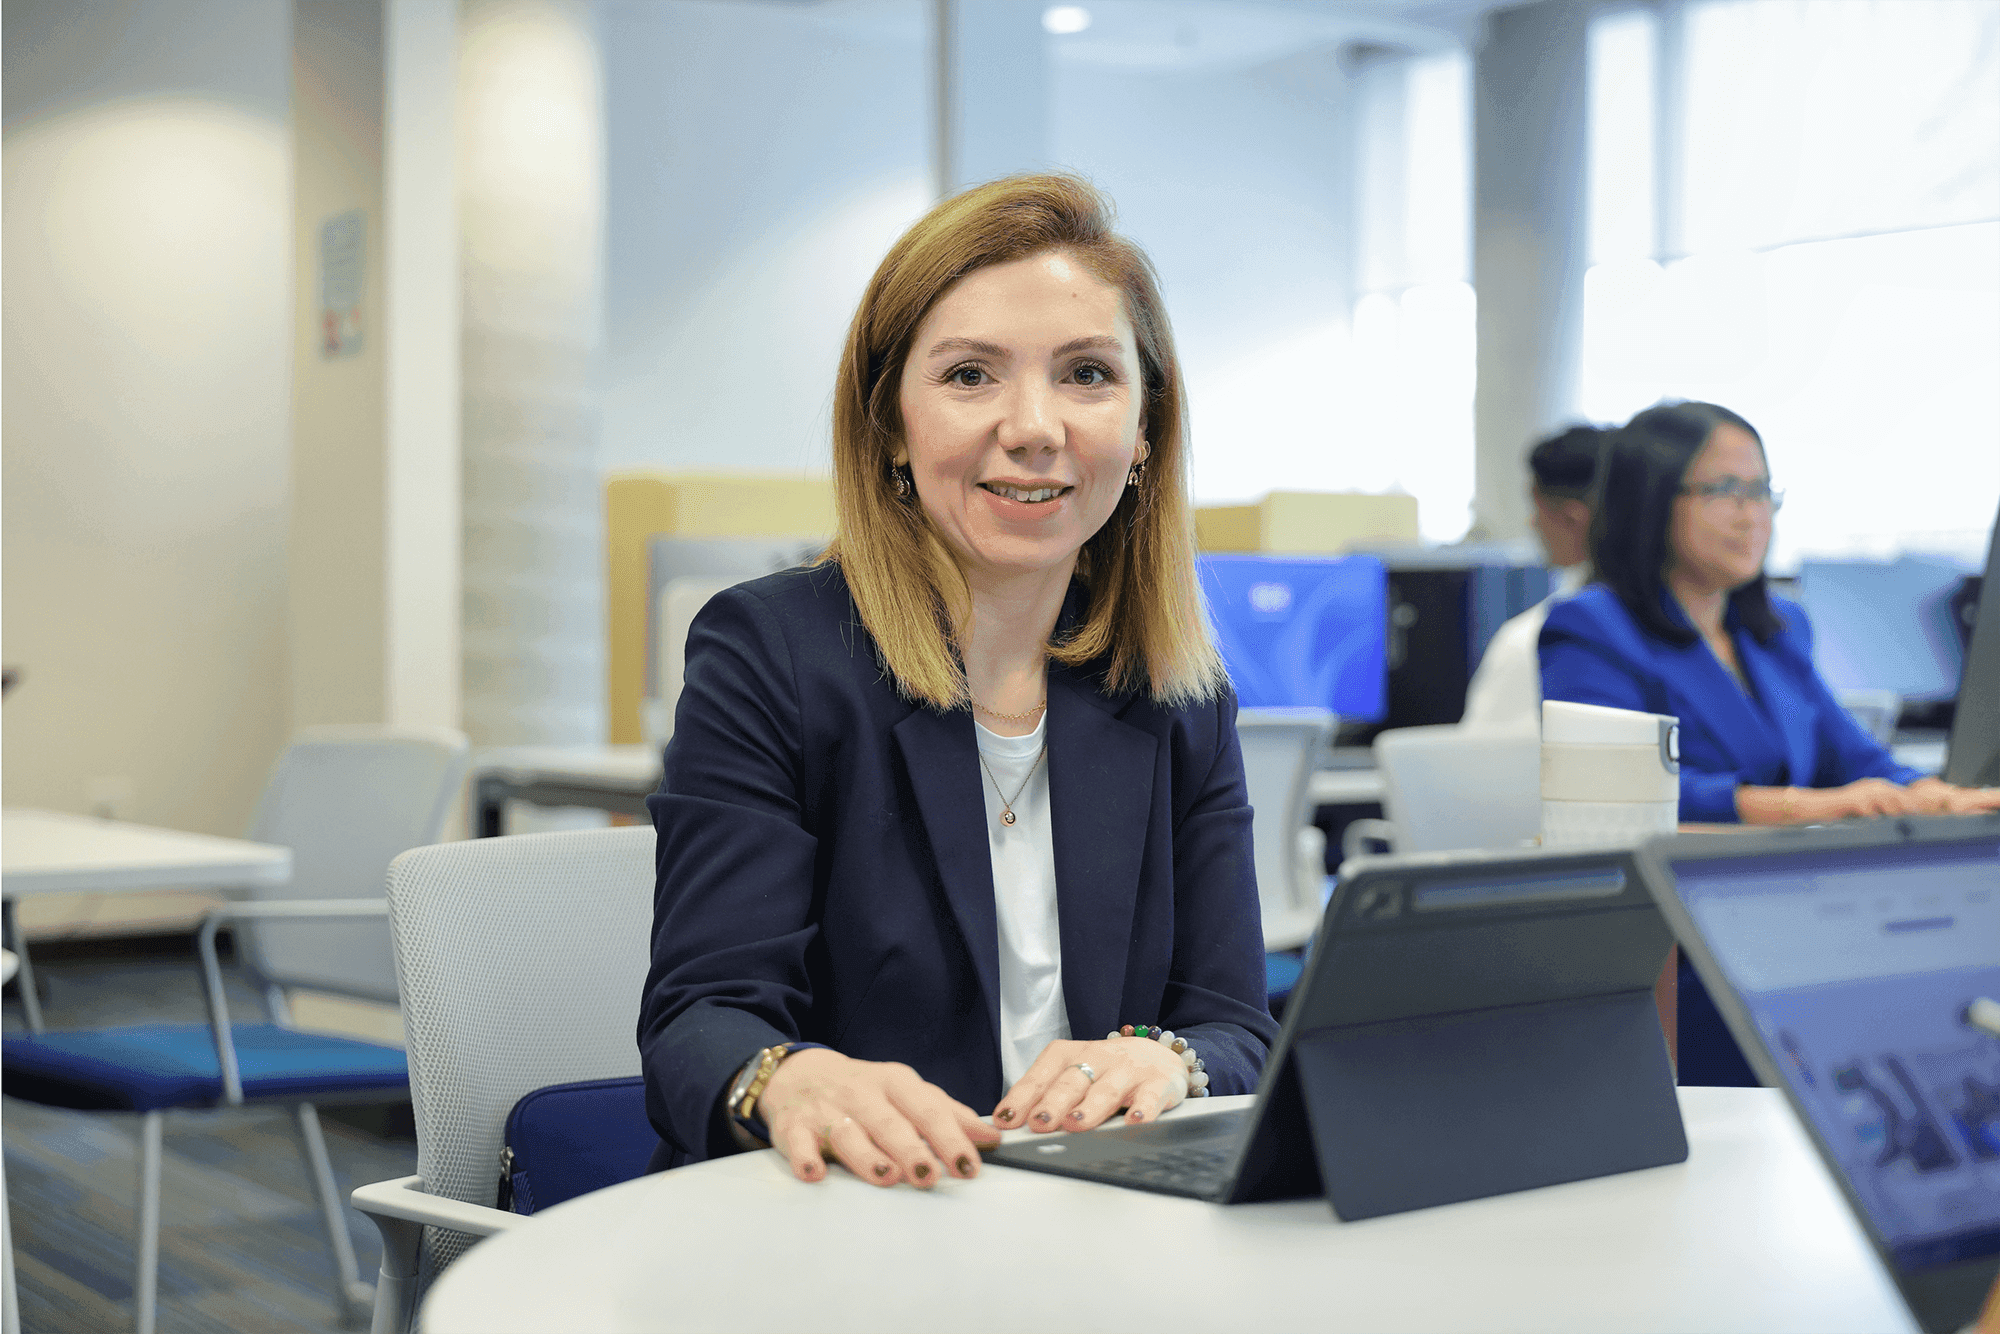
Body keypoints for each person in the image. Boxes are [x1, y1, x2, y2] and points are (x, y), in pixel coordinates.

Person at [639, 174, 1281, 1189]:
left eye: (1085, 373)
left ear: (1145, 429)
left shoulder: (1175, 690)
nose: (1033, 426)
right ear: (890, 422)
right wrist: (791, 1076)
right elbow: (699, 1019)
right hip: (860, 1213)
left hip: (1108, 1217)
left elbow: (1234, 1022)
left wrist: (1167, 1057)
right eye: (971, 374)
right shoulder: (771, 655)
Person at [1539, 400, 2000, 824]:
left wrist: (1937, 796)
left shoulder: (1776, 629)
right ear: (1649, 500)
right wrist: (1801, 805)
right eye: (1725, 490)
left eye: (1761, 490)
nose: (1752, 515)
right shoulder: (1590, 627)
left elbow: (1856, 758)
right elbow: (1612, 793)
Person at [1458, 424, 1604, 730]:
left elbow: (1478, 765)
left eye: (1535, 508)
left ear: (1571, 518)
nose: (1532, 522)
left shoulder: (1534, 640)